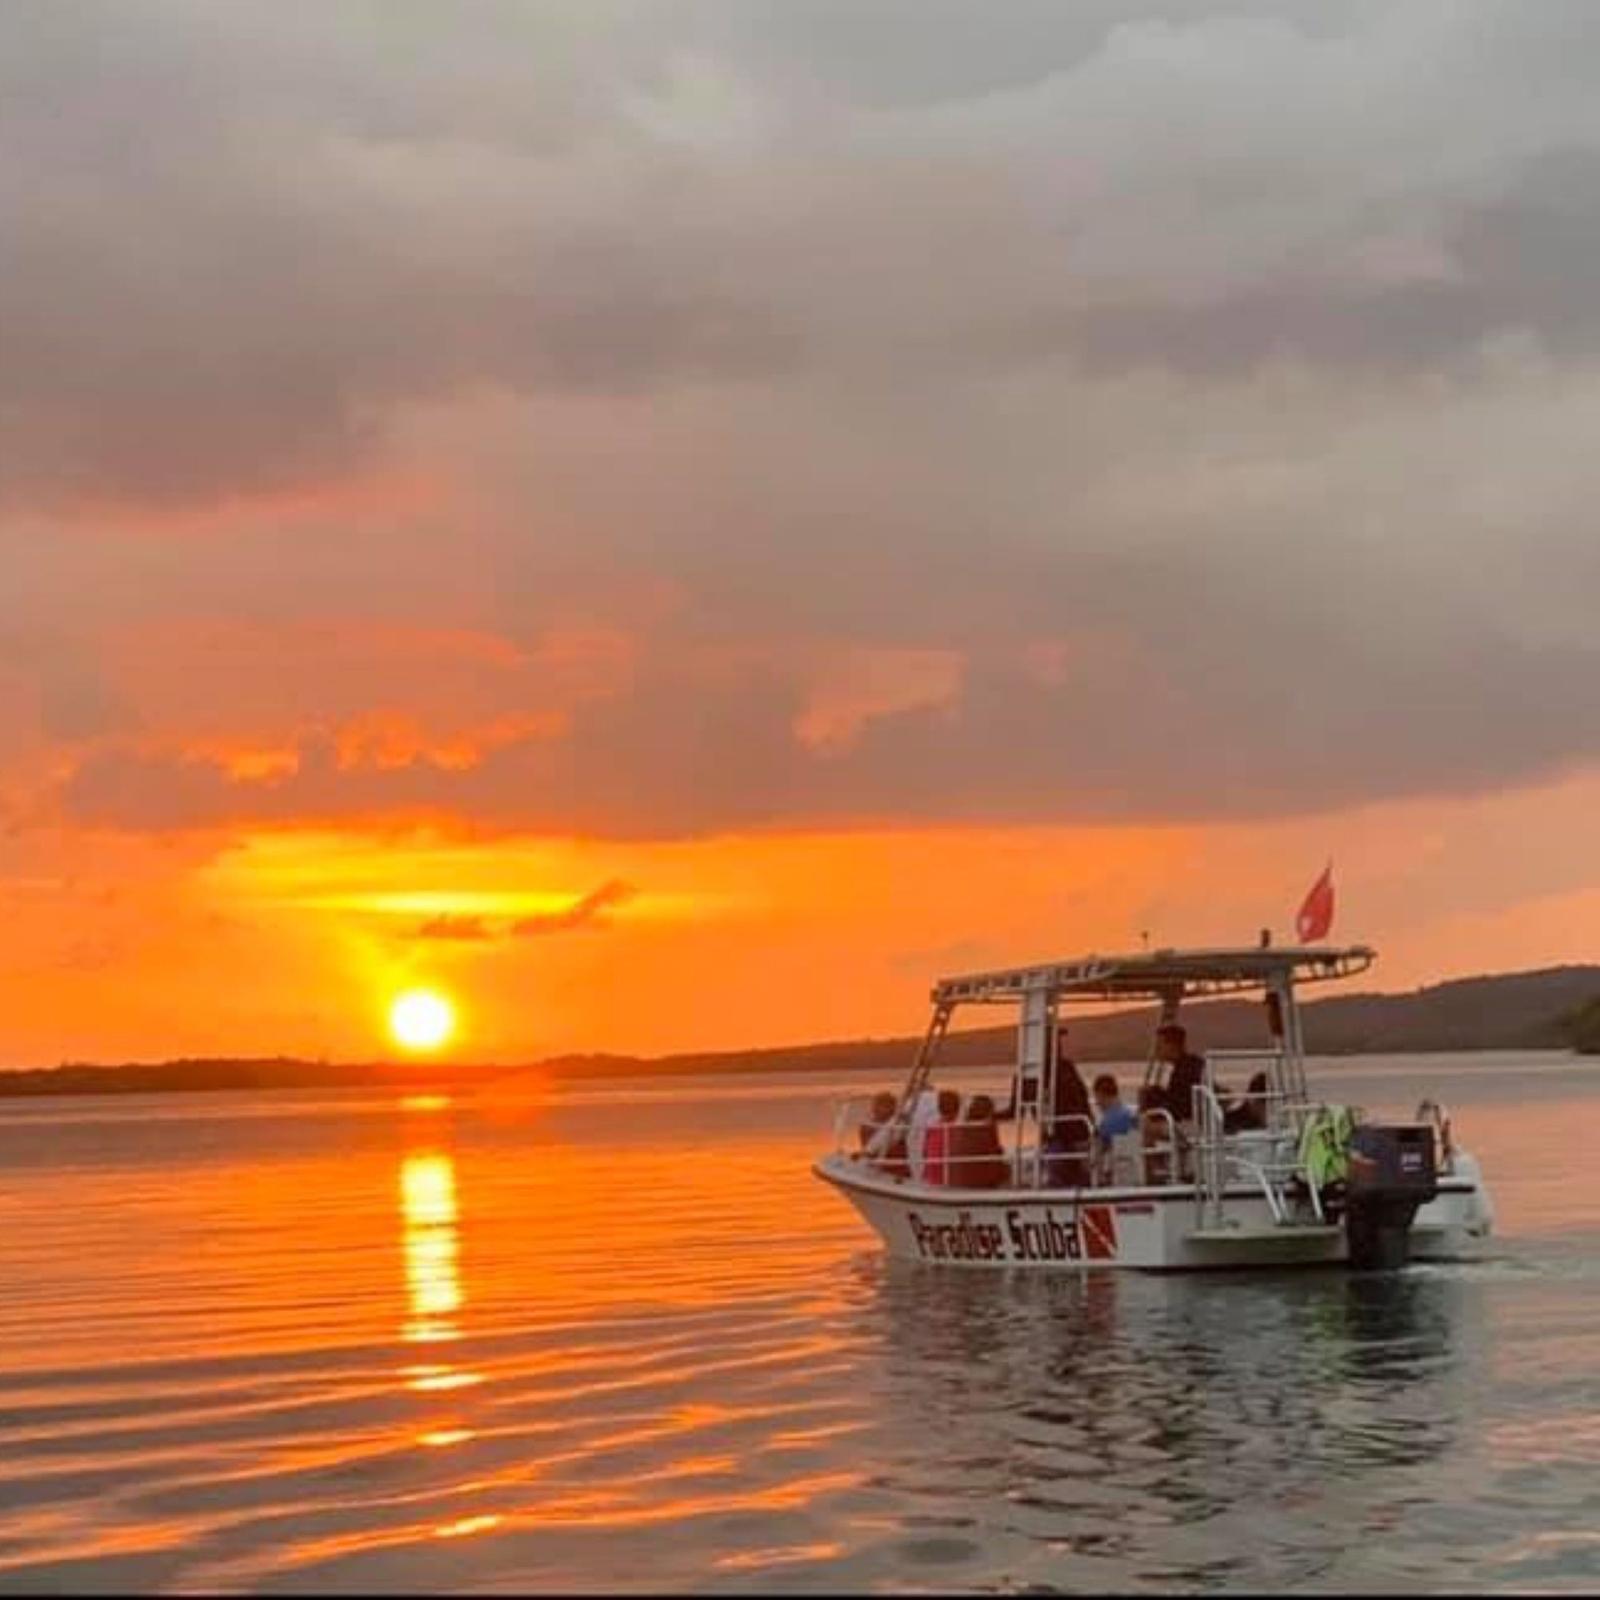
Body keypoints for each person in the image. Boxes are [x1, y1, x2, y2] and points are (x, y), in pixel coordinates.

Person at [947, 1093, 1008, 1189]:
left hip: (959, 1179)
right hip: (981, 1181)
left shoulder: (961, 1128)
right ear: (989, 1112)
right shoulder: (985, 1130)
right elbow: (995, 1157)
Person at [1156, 1023, 1207, 1124]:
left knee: (1148, 1125)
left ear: (1171, 1045)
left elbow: (1180, 1105)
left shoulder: (1183, 1071)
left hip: (1190, 1121)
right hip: (1196, 1116)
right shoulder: (1194, 1063)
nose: (1158, 1050)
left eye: (1160, 1045)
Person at [858, 1090, 909, 1176]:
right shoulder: (867, 1127)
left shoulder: (900, 1125)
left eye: (879, 1106)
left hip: (895, 1168)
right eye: (874, 1106)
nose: (874, 1109)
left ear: (892, 1108)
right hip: (877, 1165)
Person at [922, 1088, 963, 1186]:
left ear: (939, 1108)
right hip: (949, 1176)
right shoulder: (959, 1130)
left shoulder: (932, 1128)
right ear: (958, 1108)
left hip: (932, 1175)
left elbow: (924, 1152)